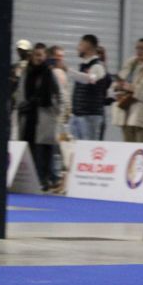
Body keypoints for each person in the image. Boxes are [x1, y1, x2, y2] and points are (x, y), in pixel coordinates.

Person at [16, 43, 63, 190]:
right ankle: (32, 180)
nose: (38, 58)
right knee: (29, 148)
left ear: (45, 57)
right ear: (32, 56)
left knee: (44, 150)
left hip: (45, 117)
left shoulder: (49, 74)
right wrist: (22, 105)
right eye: (36, 55)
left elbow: (58, 94)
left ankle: (45, 179)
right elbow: (20, 91)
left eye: (41, 55)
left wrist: (56, 110)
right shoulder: (26, 73)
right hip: (28, 116)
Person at [112, 37, 143, 143]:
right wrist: (117, 87)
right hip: (126, 116)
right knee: (128, 151)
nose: (140, 51)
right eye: (137, 48)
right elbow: (119, 81)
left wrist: (133, 89)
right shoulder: (129, 65)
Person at [66, 34, 109, 141]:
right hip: (77, 115)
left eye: (80, 44)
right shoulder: (83, 66)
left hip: (90, 116)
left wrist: (67, 70)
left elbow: (89, 79)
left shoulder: (98, 66)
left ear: (87, 46)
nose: (77, 48)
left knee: (89, 149)